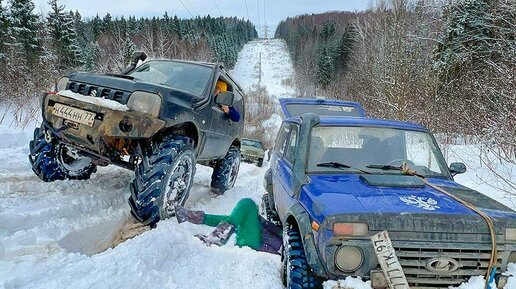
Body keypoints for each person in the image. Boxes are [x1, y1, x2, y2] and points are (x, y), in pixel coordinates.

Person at [174, 198, 282, 254]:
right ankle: (189, 216)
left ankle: (218, 237)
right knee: (234, 218)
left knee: (248, 204)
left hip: (260, 242)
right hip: (257, 235)